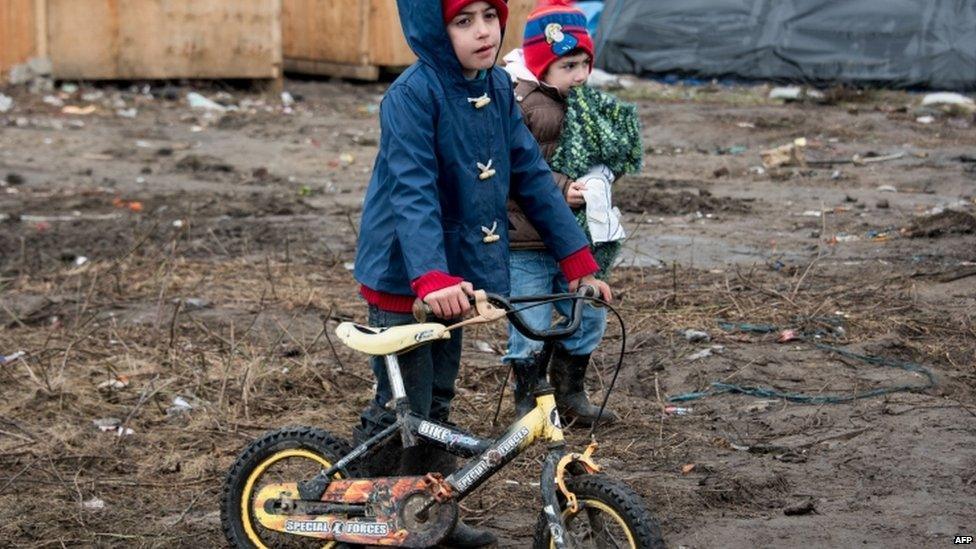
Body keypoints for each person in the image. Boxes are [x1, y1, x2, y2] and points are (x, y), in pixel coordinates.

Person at [351, 0, 611, 546]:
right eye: (462, 21)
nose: (482, 32)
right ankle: (365, 506)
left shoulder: (495, 90)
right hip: (408, 275)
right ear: (432, 27)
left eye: (489, 17)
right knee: (406, 404)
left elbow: (532, 177)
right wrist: (430, 278)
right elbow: (413, 190)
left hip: (455, 280)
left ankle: (430, 516)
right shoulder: (412, 95)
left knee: (438, 402)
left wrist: (576, 260)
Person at [502, 0, 642, 425]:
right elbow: (512, 170)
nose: (580, 75)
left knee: (589, 311)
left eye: (585, 63)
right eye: (568, 66)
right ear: (540, 65)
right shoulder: (518, 104)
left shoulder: (584, 107)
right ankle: (528, 404)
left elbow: (598, 154)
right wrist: (562, 189)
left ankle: (570, 393)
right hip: (525, 240)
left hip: (574, 242)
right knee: (530, 323)